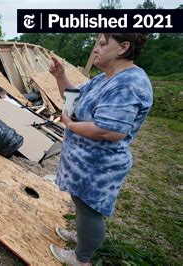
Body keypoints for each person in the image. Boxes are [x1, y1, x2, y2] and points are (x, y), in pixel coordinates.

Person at [48, 33, 153, 265]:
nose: (95, 48)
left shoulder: (128, 83)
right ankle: (83, 237)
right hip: (83, 165)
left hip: (98, 168)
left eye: (103, 44)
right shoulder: (105, 78)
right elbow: (74, 100)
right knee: (81, 205)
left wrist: (71, 125)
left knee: (90, 211)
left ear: (123, 48)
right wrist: (60, 76)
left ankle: (81, 257)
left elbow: (110, 130)